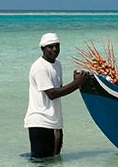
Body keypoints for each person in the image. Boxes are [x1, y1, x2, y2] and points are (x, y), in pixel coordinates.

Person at [24, 33, 90, 161]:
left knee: (55, 159)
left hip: (55, 122)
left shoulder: (57, 64)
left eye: (57, 46)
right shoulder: (40, 67)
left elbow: (59, 88)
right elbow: (52, 94)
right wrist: (77, 83)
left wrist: (76, 81)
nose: (54, 49)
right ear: (42, 49)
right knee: (41, 161)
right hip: (40, 122)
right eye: (50, 47)